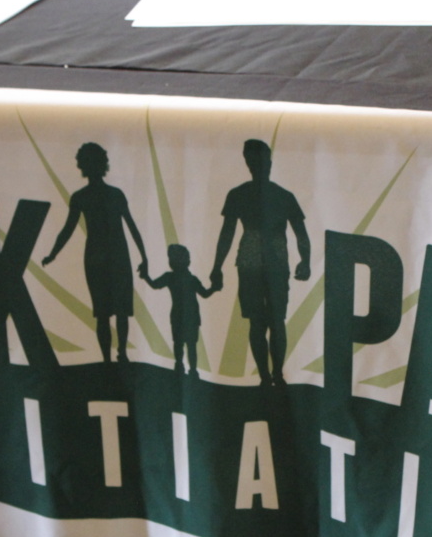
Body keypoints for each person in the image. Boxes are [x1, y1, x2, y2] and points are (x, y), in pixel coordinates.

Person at [210, 139, 311, 386]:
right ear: (248, 162)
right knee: (259, 322)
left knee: (274, 321)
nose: (261, 165)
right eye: (255, 161)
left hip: (273, 261)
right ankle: (267, 376)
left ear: (270, 162)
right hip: (252, 260)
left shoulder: (282, 196)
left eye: (264, 160)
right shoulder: (240, 194)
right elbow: (227, 233)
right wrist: (216, 266)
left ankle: (275, 374)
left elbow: (300, 232)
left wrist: (306, 260)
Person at [41, 142, 148, 363]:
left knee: (111, 312)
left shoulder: (97, 196)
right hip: (106, 256)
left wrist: (144, 256)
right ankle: (113, 357)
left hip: (108, 256)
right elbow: (68, 229)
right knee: (108, 312)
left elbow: (131, 226)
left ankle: (116, 356)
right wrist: (53, 253)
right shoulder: (90, 196)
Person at [140, 244, 215, 375]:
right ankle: (190, 369)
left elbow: (154, 284)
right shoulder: (190, 279)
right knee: (189, 345)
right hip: (189, 316)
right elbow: (205, 293)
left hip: (181, 316)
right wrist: (214, 287)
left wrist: (145, 275)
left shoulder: (172, 277)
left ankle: (181, 366)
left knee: (181, 344)